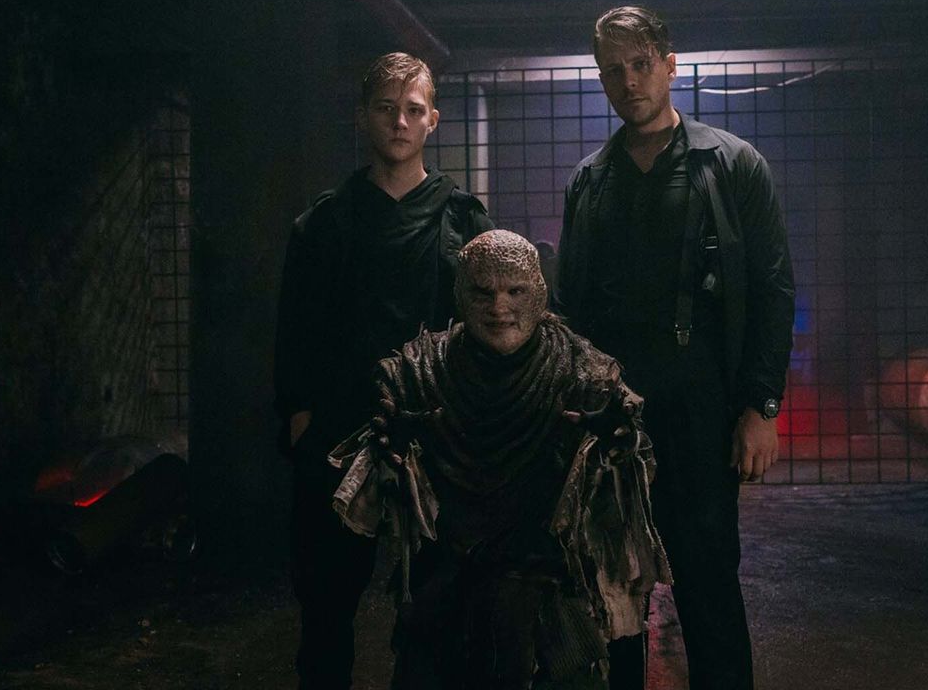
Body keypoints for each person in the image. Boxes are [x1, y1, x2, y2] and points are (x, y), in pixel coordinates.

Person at [555, 6, 796, 690]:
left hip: (700, 416)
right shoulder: (590, 181)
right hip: (611, 421)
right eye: (613, 71)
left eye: (640, 65)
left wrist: (761, 406)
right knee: (613, 596)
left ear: (669, 66)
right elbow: (569, 309)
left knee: (708, 584)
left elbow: (773, 288)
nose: (629, 82)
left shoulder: (732, 164)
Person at [328, 229, 671, 689]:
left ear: (539, 294)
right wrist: (391, 456)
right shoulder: (417, 372)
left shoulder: (585, 374)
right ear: (460, 294)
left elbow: (631, 466)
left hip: (547, 585)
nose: (499, 307)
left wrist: (616, 450)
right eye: (482, 292)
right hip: (447, 579)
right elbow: (374, 488)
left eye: (515, 291)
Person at [274, 51, 493, 689]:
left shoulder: (463, 220)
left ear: (433, 121)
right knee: (325, 603)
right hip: (340, 433)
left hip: (438, 437)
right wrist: (300, 415)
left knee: (437, 605)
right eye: (385, 108)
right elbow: (295, 327)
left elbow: (493, 327)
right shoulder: (325, 223)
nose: (400, 121)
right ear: (362, 118)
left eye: (413, 110)